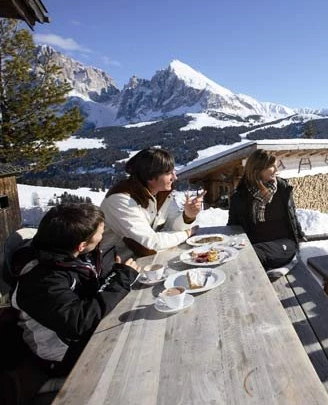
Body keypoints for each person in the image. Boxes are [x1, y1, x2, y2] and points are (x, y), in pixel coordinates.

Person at [9, 204, 139, 390]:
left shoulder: (68, 253)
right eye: (101, 233)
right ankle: (61, 387)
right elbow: (78, 322)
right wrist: (120, 281)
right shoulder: (40, 281)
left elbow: (88, 291)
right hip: (60, 355)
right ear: (82, 245)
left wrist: (116, 276)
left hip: (80, 335)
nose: (104, 235)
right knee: (131, 354)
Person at [100, 147, 204, 259]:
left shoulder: (160, 193)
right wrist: (187, 234)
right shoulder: (120, 200)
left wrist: (188, 216)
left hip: (145, 261)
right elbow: (149, 246)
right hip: (115, 268)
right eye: (169, 173)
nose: (175, 177)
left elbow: (172, 226)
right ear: (150, 177)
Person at [228, 149, 305, 270]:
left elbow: (292, 216)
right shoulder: (240, 196)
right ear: (257, 170)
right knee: (244, 256)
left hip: (284, 244)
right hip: (254, 244)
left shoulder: (283, 188)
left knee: (253, 255)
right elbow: (232, 227)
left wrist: (300, 235)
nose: (276, 169)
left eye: (275, 165)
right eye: (271, 166)